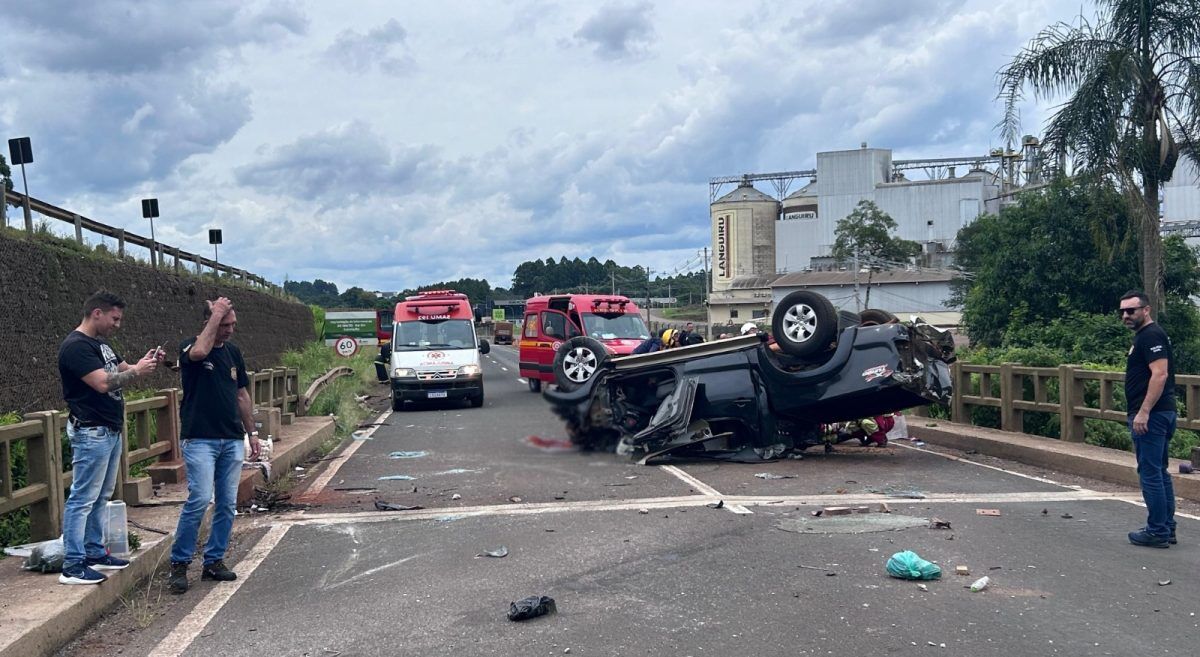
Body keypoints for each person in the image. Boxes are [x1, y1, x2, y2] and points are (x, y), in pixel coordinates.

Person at [57, 291, 161, 585]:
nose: (117, 324)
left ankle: (93, 551)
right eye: (115, 318)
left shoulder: (101, 345)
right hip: (91, 430)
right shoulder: (76, 347)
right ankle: (73, 564)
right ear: (97, 313)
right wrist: (136, 371)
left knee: (101, 496)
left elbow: (125, 371)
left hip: (109, 430)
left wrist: (144, 364)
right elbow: (103, 383)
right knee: (82, 497)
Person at [169, 297, 261, 593]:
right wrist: (216, 312)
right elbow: (198, 352)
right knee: (199, 499)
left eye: (233, 324)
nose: (229, 330)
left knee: (227, 503)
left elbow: (242, 395)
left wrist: (253, 433)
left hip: (231, 438)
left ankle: (214, 560)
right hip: (200, 439)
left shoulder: (233, 353)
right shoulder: (189, 347)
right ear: (209, 322)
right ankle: (180, 563)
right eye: (224, 324)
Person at [1119, 290, 1177, 548]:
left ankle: (1157, 531)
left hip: (1152, 415)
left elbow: (1160, 374)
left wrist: (1144, 411)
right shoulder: (1144, 336)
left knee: (1150, 473)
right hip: (1159, 413)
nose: (1126, 315)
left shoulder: (1151, 335)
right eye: (1122, 311)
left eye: (1131, 310)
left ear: (1146, 310)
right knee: (1159, 472)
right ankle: (1167, 527)